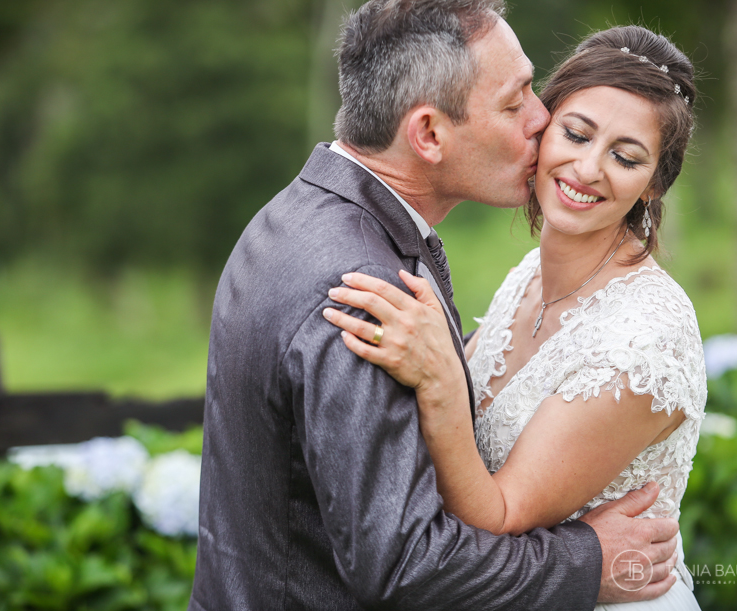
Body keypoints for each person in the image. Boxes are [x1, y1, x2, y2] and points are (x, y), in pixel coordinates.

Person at [189, 2, 681, 609]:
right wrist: (589, 559)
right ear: (427, 134)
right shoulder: (366, 290)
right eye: (515, 100)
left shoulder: (296, 216)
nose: (541, 119)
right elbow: (404, 564)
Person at [323, 24, 704, 610]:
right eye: (575, 134)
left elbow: (499, 513)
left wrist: (442, 381)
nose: (588, 168)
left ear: (654, 186)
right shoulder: (530, 273)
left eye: (626, 157)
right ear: (542, 127)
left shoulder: (645, 341)